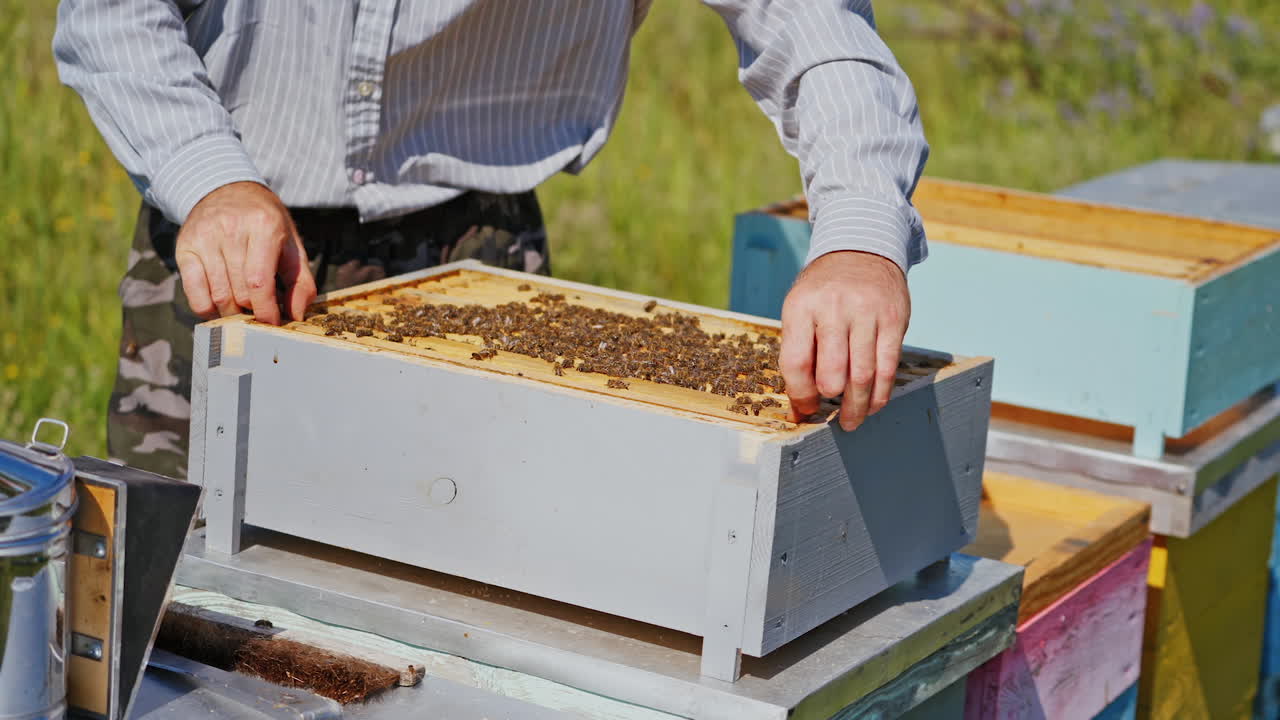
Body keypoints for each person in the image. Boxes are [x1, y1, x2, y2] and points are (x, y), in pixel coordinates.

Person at [54, 1, 928, 480]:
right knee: (182, 597)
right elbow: (109, 12)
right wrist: (208, 175)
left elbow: (816, 26)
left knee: (465, 582)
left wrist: (857, 239)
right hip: (231, 236)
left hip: (476, 253)